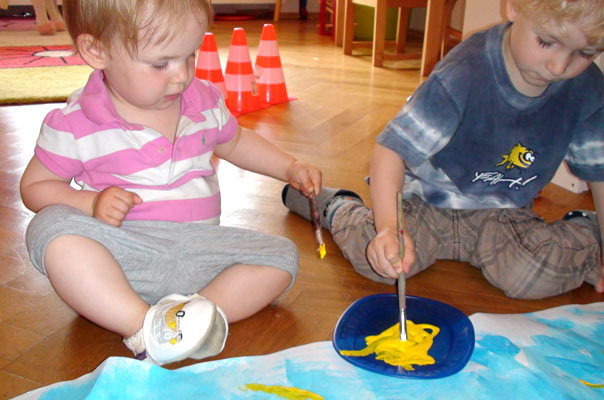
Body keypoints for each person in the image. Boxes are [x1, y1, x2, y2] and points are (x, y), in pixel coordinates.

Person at [20, 0, 322, 365]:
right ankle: (141, 326)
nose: (181, 75)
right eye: (161, 64)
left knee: (282, 257)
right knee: (50, 230)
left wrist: (289, 167)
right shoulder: (75, 123)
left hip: (200, 253)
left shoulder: (204, 100)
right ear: (96, 51)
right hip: (123, 257)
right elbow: (35, 187)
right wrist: (91, 204)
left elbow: (236, 143)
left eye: (189, 55)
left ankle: (191, 318)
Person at [283, 0, 604, 300]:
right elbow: (390, 152)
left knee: (527, 276)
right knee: (375, 260)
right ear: (513, 6)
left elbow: (599, 174)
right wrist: (389, 231)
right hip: (424, 204)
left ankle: (589, 234)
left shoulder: (587, 89)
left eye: (585, 53)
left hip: (503, 214)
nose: (558, 66)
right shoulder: (464, 72)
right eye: (546, 42)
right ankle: (336, 206)